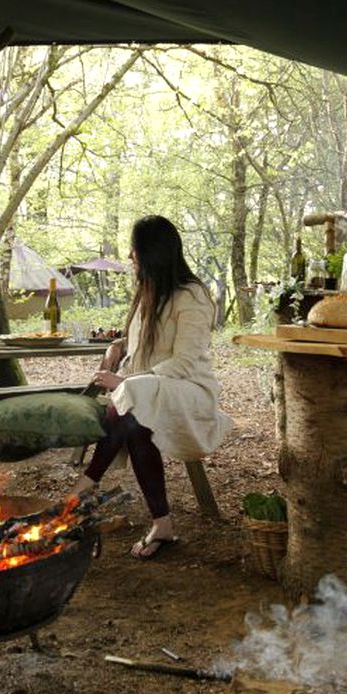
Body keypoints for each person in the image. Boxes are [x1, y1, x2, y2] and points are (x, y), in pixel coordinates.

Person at [75, 215, 233, 560]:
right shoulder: (149, 291)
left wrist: (126, 381)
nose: (130, 255)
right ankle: (161, 523)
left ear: (153, 253)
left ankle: (81, 490)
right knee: (135, 419)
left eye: (136, 249)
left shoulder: (192, 296)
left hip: (190, 391)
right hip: (149, 391)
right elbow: (144, 347)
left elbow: (185, 363)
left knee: (134, 397)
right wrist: (117, 346)